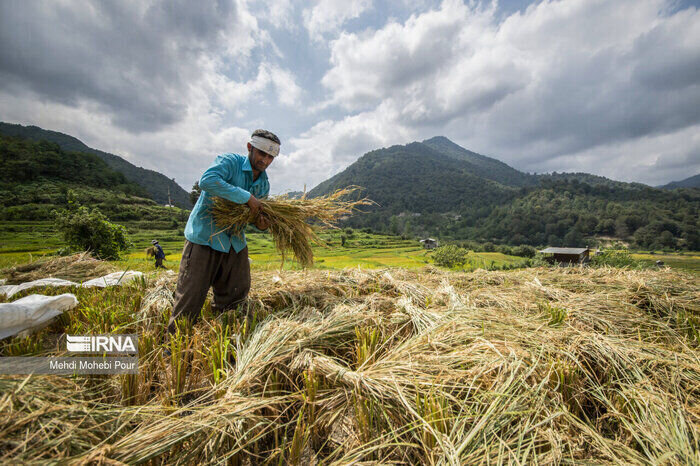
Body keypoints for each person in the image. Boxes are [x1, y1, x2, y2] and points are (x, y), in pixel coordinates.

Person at [167, 129, 278, 334]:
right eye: (262, 153)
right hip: (205, 239)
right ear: (249, 148)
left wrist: (261, 223)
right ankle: (171, 353)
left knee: (235, 299)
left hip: (235, 243)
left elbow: (254, 218)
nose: (265, 160)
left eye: (271, 156)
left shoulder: (263, 183)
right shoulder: (229, 162)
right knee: (189, 299)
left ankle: (223, 343)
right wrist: (246, 196)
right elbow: (207, 181)